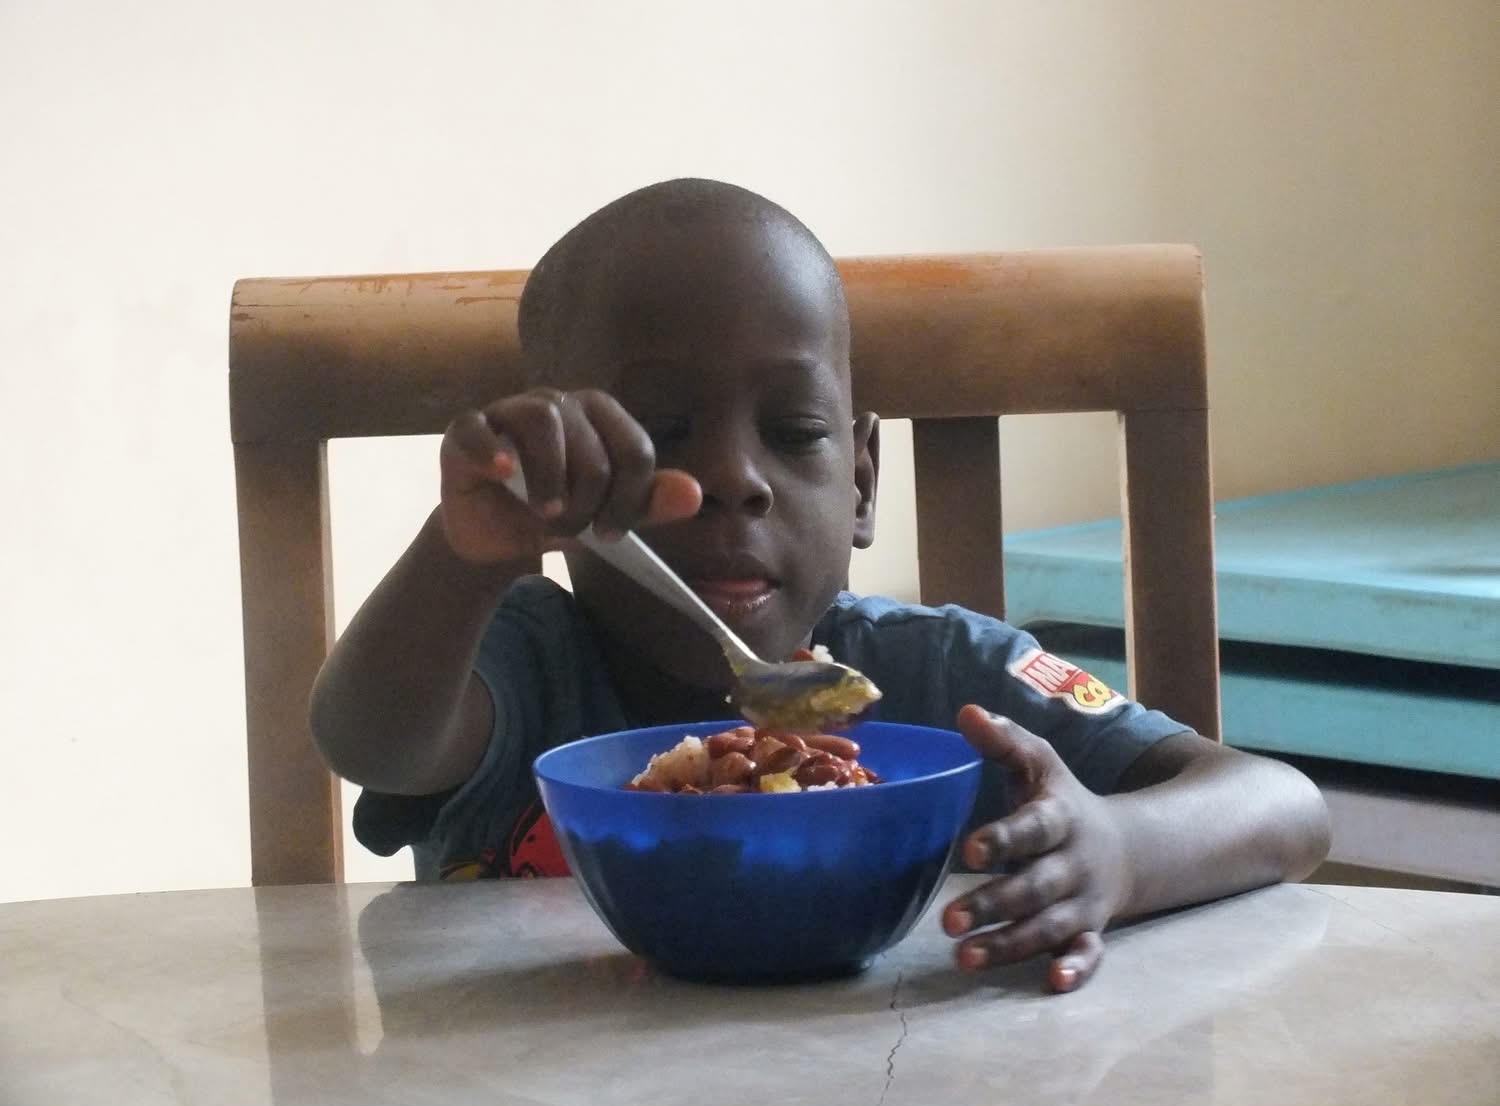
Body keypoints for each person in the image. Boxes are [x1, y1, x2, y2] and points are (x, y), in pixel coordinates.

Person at [309, 177, 1330, 993]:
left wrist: (1121, 851)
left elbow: (1282, 806)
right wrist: (463, 555)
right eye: (659, 433)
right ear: (565, 484)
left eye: (795, 433)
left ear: (862, 483)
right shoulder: (519, 657)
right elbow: (369, 739)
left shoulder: (947, 675)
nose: (733, 478)